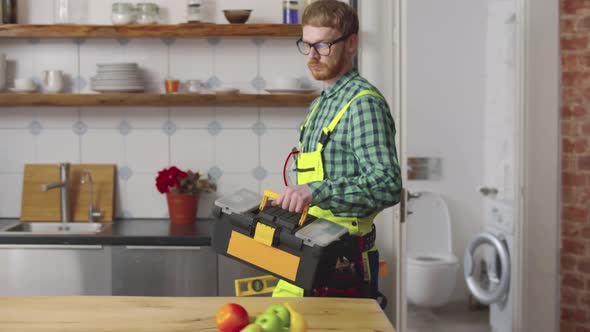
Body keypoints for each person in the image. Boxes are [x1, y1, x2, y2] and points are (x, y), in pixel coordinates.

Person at [271, 0, 402, 301]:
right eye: (307, 45)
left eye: (324, 45)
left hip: (342, 263)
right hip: (311, 248)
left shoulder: (363, 104)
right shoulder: (323, 103)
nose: (313, 56)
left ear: (352, 43)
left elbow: (388, 185)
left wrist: (315, 191)